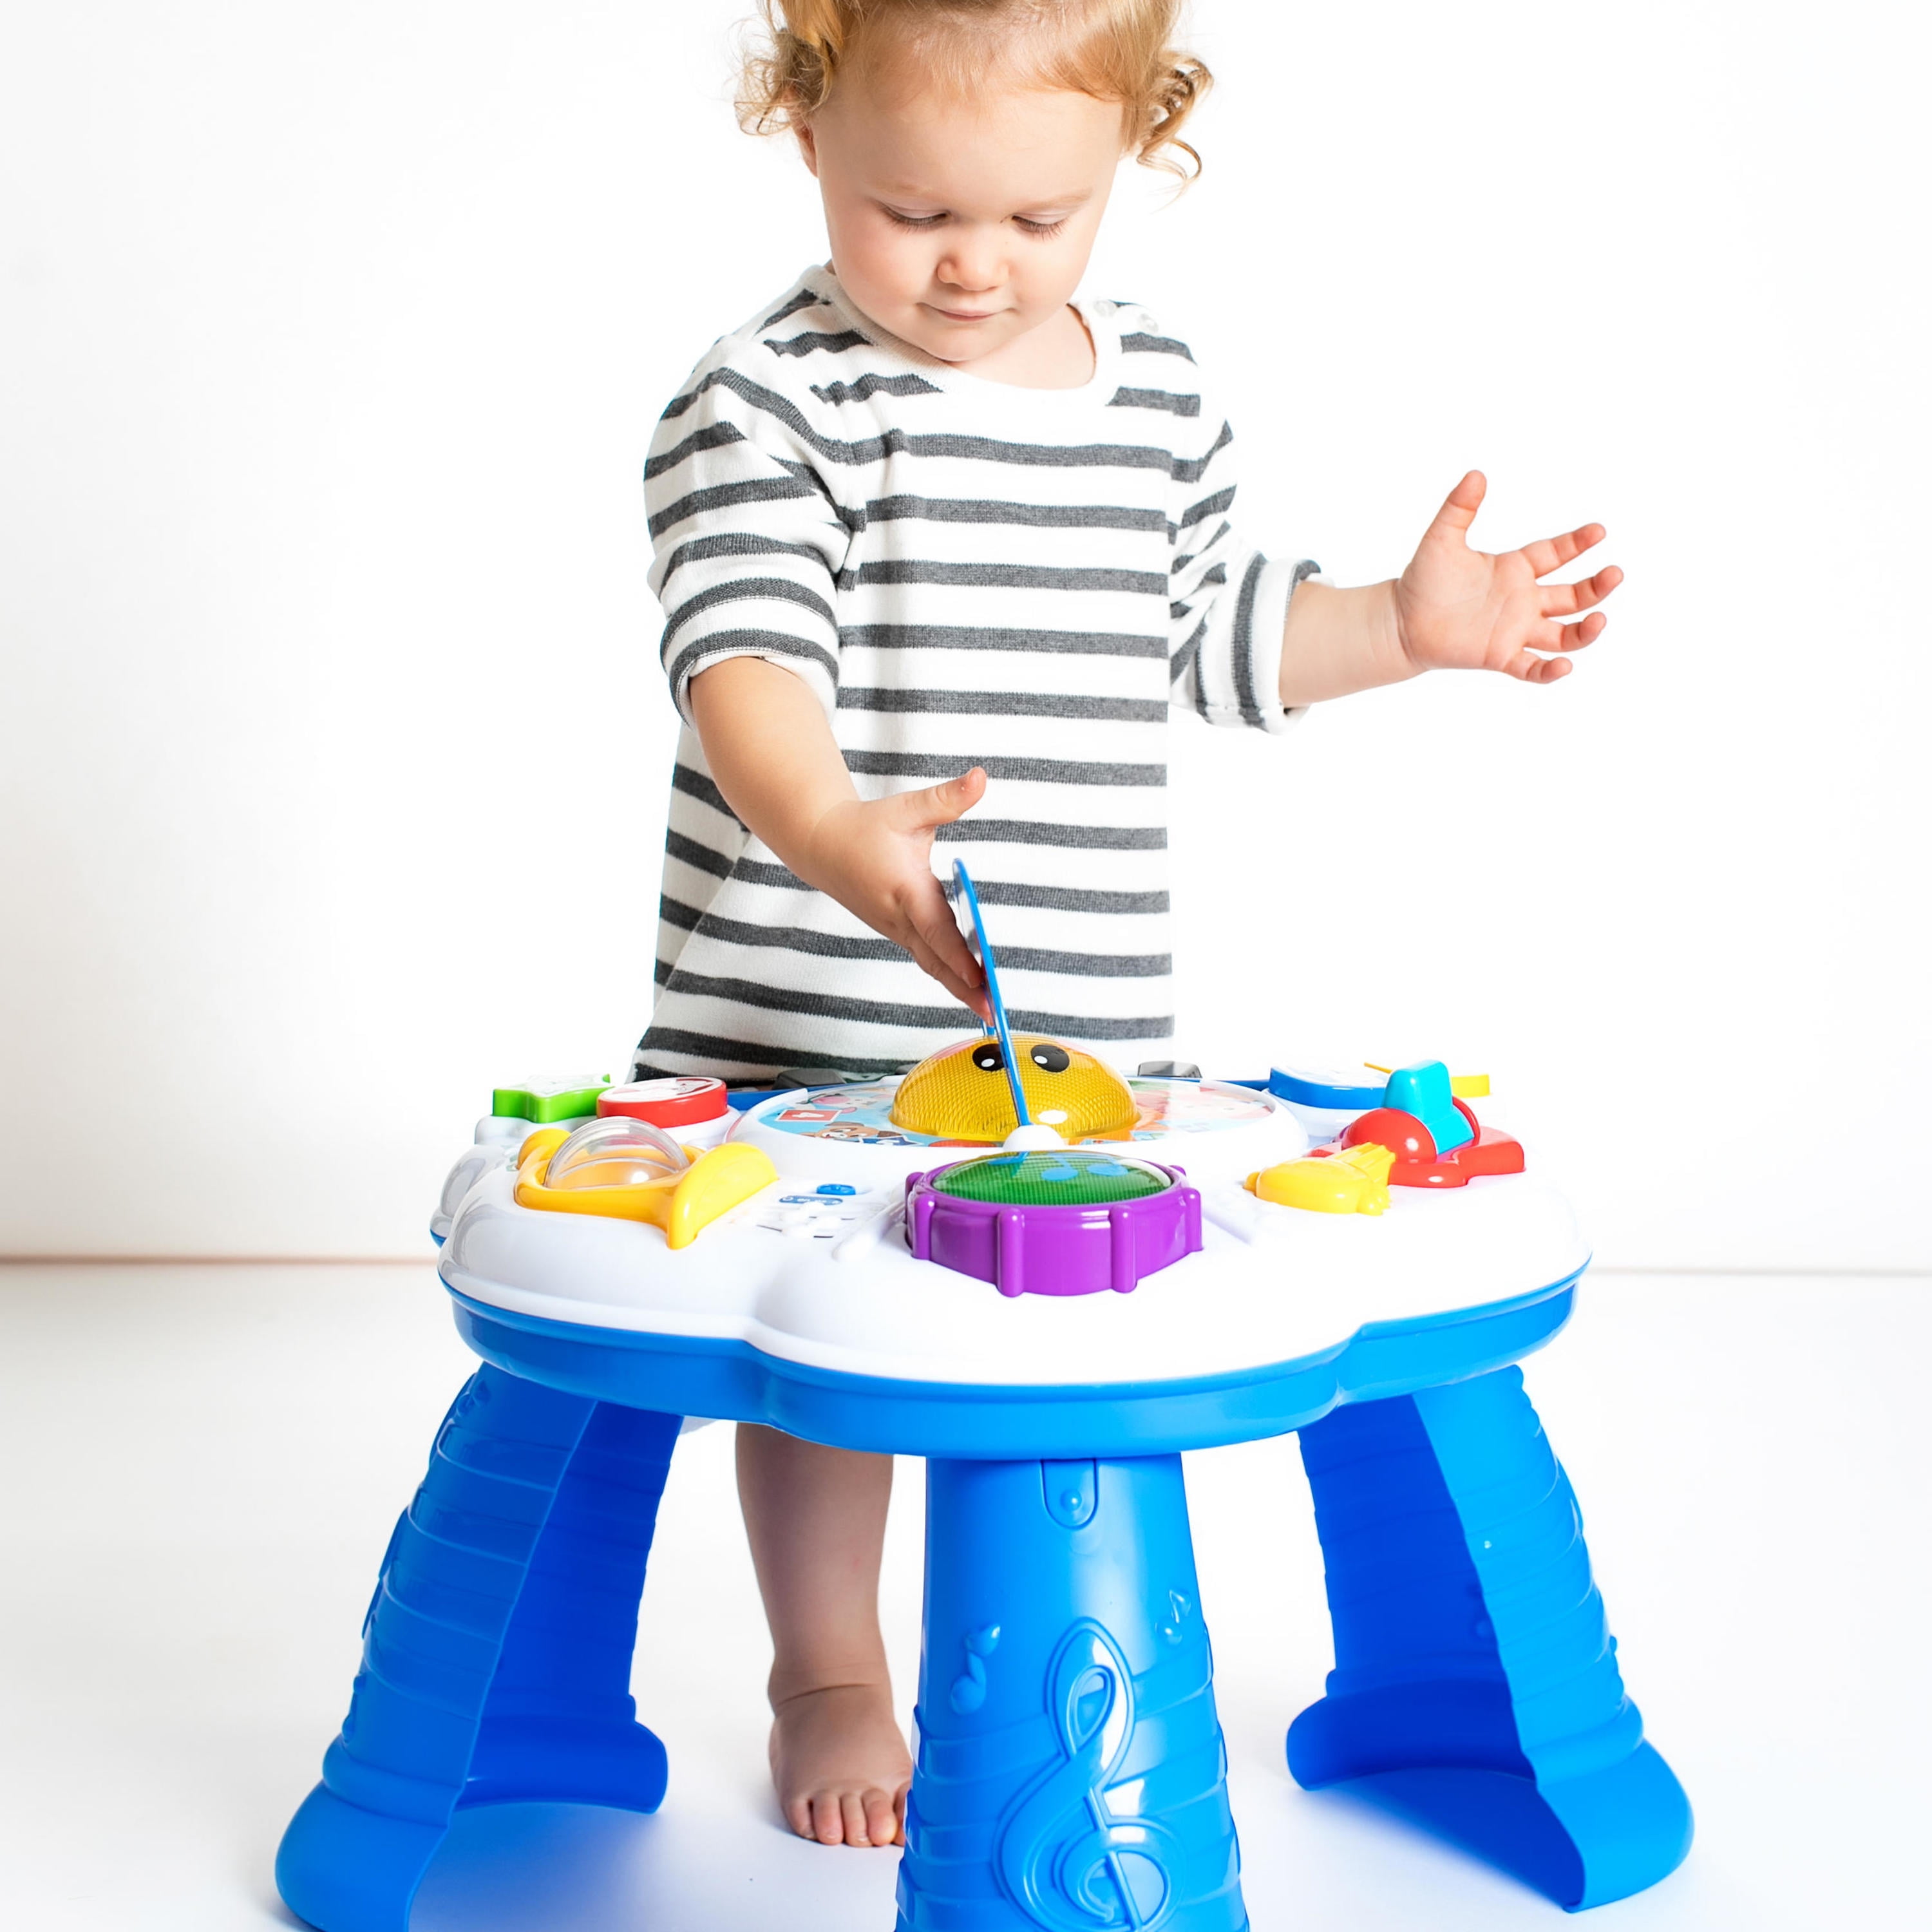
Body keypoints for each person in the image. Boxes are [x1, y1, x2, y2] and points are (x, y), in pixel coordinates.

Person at [632, 0, 1620, 1851]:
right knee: (841, 1358)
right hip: (815, 1014)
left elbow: (1219, 640)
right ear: (805, 123)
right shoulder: (768, 396)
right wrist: (837, 824)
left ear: (1132, 155)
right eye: (911, 206)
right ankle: (828, 1667)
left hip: (1060, 1035)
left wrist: (1400, 631)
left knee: (1050, 1343)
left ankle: (1052, 1663)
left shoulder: (1154, 385)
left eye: (1037, 218)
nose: (969, 264)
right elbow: (742, 661)